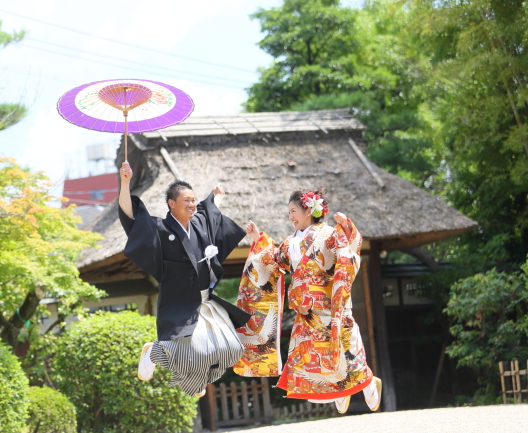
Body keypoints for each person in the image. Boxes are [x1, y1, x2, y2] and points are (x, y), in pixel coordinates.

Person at [235, 188, 382, 413]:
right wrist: (258, 239)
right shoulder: (289, 242)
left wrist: (347, 229)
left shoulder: (330, 234)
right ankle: (339, 390)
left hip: (331, 309)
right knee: (311, 359)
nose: (291, 216)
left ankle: (369, 383)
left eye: (294, 211)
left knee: (345, 350)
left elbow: (349, 252)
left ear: (308, 211)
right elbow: (275, 261)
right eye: (289, 212)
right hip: (305, 311)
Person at [118, 161, 251, 396]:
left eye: (193, 200)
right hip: (179, 300)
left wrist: (216, 196)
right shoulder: (160, 228)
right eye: (186, 200)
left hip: (205, 300)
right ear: (171, 204)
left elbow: (211, 212)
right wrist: (126, 182)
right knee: (191, 352)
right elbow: (131, 217)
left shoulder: (199, 222)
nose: (192, 204)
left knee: (231, 348)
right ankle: (153, 352)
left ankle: (197, 377)